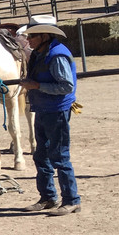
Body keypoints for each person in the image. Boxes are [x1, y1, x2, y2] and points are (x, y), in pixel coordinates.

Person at [20, 21, 80, 215]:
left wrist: (36, 86)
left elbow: (66, 87)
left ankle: (71, 200)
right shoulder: (40, 53)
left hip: (57, 111)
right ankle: (48, 197)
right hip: (44, 109)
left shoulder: (57, 55)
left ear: (44, 36)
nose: (28, 40)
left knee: (60, 156)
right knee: (41, 155)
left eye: (32, 36)